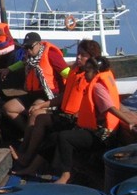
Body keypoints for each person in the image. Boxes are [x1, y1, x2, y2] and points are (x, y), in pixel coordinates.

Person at [15, 55, 136, 184]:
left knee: (65, 137)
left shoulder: (97, 87)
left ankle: (66, 175)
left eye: (88, 71)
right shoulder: (91, 83)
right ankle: (32, 168)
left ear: (96, 72)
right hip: (90, 129)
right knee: (53, 137)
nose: (85, 74)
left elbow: (110, 108)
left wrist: (129, 121)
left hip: (102, 135)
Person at [10, 39, 99, 170]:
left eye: (83, 55)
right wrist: (42, 105)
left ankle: (26, 157)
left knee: (44, 125)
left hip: (76, 120)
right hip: (65, 114)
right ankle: (25, 154)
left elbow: (95, 104)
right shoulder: (75, 72)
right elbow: (65, 96)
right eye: (78, 53)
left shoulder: (92, 78)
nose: (78, 57)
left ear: (92, 58)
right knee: (37, 114)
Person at [0, 32, 70, 132]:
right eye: (25, 47)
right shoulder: (30, 58)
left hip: (49, 95)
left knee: (34, 111)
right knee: (8, 108)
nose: (28, 50)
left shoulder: (51, 54)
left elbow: (68, 73)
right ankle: (27, 133)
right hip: (33, 93)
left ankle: (31, 141)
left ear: (39, 44)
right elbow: (22, 63)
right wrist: (9, 69)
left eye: (30, 47)